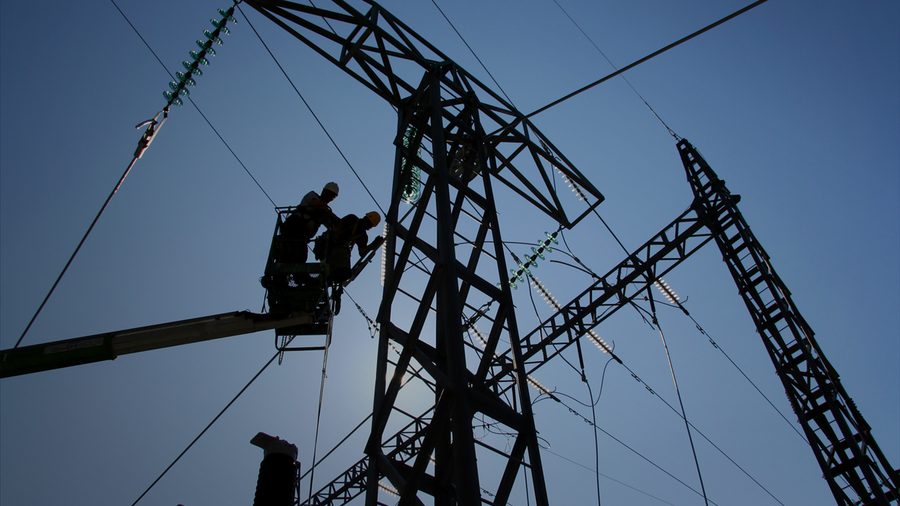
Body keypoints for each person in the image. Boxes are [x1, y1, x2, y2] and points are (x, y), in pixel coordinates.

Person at [280, 182, 340, 266]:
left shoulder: (325, 212)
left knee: (297, 255)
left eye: (333, 197)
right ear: (324, 192)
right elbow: (317, 205)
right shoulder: (312, 196)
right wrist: (332, 215)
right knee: (297, 256)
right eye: (330, 195)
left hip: (302, 237)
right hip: (294, 228)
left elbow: (333, 226)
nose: (330, 198)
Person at [316, 211, 381, 284]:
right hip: (325, 244)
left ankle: (324, 280)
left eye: (370, 225)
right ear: (365, 218)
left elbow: (362, 252)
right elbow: (337, 227)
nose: (367, 225)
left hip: (337, 252)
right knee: (325, 266)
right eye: (368, 222)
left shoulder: (363, 236)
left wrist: (372, 244)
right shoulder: (352, 219)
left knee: (330, 270)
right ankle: (321, 280)